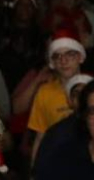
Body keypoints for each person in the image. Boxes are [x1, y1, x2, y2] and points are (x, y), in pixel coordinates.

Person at [24, 32, 86, 162]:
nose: (63, 61)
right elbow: (40, 137)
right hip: (56, 162)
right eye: (57, 56)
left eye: (70, 54)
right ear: (52, 63)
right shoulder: (44, 92)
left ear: (80, 57)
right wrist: (34, 171)